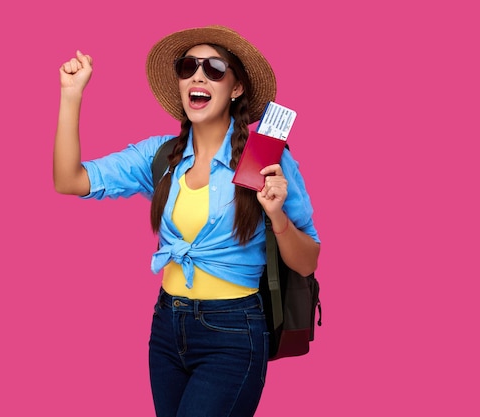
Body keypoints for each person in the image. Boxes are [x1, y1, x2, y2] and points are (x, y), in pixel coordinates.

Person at [53, 25, 320, 417]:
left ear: (236, 88)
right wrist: (71, 95)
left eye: (214, 68)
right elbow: (69, 180)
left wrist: (276, 214)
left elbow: (308, 261)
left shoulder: (267, 159)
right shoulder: (159, 157)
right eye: (188, 66)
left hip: (232, 332)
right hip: (167, 328)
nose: (198, 75)